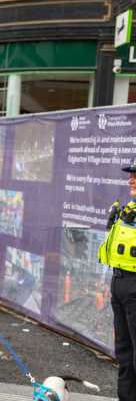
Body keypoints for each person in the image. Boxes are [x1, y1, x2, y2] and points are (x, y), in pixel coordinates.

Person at [99, 160, 136, 401]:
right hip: (120, 283)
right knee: (124, 353)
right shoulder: (128, 209)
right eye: (131, 175)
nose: (131, 179)